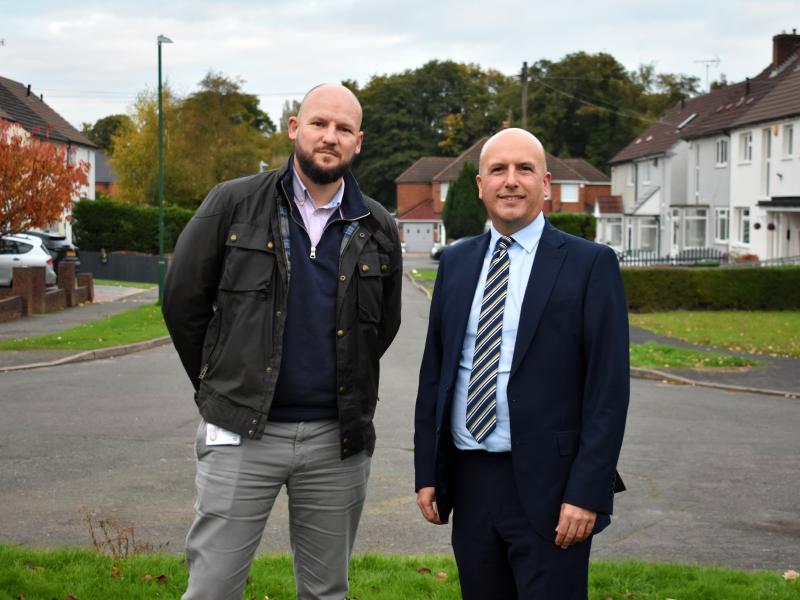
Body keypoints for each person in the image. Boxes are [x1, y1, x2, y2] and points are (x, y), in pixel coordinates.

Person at [163, 83, 402, 600]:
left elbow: (383, 327)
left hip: (336, 443)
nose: (329, 137)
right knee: (212, 589)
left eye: (343, 129)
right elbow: (183, 302)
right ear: (295, 128)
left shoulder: (378, 225)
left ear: (357, 142)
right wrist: (219, 384)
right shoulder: (232, 203)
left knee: (324, 592)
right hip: (241, 432)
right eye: (319, 123)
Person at [414, 128, 629, 599]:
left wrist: (586, 492)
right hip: (471, 483)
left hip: (553, 489)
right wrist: (427, 473)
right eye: (498, 170)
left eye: (524, 169)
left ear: (546, 183)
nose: (511, 181)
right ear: (479, 185)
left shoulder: (590, 264)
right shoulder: (455, 262)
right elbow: (436, 374)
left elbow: (608, 392)